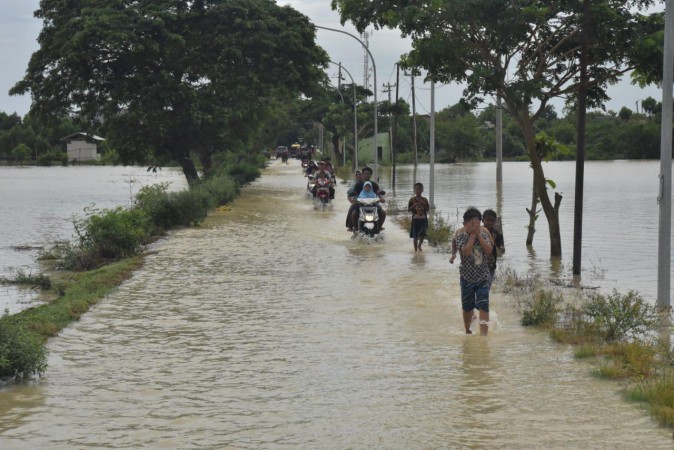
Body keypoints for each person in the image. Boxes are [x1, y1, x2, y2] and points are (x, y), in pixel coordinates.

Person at [454, 208, 493, 336]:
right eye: (471, 222)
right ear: (465, 224)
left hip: (482, 276)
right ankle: (467, 330)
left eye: (477, 222)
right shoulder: (460, 235)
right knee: (467, 307)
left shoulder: (484, 233)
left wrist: (478, 235)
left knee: (484, 305)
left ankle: (483, 336)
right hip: (466, 277)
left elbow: (488, 251)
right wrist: (472, 235)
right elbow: (466, 251)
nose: (474, 225)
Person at [347, 166, 386, 232]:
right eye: (365, 173)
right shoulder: (358, 184)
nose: (367, 175)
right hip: (360, 204)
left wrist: (381, 198)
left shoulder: (374, 184)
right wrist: (352, 199)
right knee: (354, 213)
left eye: (368, 174)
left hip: (373, 204)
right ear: (362, 174)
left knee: (383, 213)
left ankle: (379, 228)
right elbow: (354, 193)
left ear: (371, 175)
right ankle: (355, 228)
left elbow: (378, 192)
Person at [482, 209, 505, 280]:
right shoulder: (477, 232)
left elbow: (501, 244)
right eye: (487, 220)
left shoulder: (496, 233)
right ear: (482, 220)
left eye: (492, 221)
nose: (489, 223)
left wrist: (501, 248)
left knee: (487, 285)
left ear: (495, 222)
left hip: (491, 263)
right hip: (478, 264)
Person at [408, 182, 430, 251]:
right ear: (414, 190)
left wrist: (424, 204)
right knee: (415, 235)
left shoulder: (425, 200)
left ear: (422, 190)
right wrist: (414, 205)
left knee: (423, 234)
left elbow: (427, 209)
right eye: (417, 189)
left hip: (423, 219)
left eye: (420, 189)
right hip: (415, 220)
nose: (418, 191)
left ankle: (419, 245)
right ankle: (415, 251)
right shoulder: (412, 200)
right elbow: (408, 209)